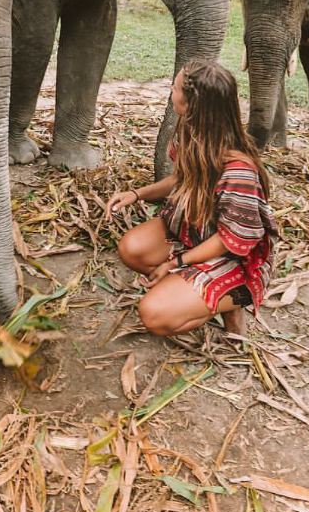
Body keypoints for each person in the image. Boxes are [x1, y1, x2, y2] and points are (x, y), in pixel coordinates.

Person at [104, 60, 277, 338]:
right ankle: (189, 288)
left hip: (231, 257)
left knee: (154, 315)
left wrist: (175, 263)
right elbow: (179, 179)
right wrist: (136, 195)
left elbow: (231, 239)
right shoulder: (192, 132)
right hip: (191, 232)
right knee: (132, 249)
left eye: (174, 88)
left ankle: (232, 301)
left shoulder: (239, 172)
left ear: (191, 104)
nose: (170, 91)